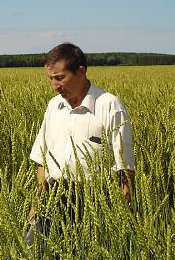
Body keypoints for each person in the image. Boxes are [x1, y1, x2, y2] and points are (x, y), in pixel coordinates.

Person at [26, 42, 134, 242]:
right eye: (50, 79)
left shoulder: (110, 106)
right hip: (52, 197)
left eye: (59, 78)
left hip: (94, 200)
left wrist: (118, 220)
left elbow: (124, 168)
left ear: (81, 71)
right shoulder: (54, 106)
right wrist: (37, 201)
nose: (54, 86)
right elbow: (41, 159)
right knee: (37, 256)